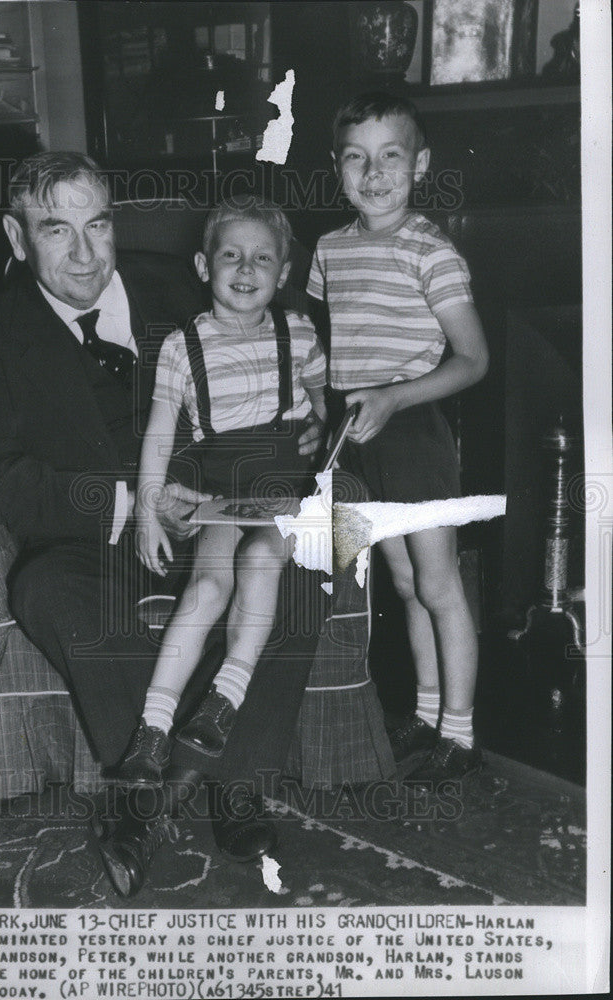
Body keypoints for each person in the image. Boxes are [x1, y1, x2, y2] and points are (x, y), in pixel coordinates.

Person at [0, 152, 325, 897]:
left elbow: (286, 337)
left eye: (99, 225)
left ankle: (172, 797)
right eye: (57, 231)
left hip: (232, 502)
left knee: (306, 563)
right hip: (102, 534)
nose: (86, 255)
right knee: (48, 589)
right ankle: (202, 780)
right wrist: (130, 498)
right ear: (18, 238)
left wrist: (311, 421)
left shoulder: (178, 283)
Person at [307, 92, 489, 786]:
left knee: (439, 583)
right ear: (337, 167)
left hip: (412, 429)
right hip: (357, 430)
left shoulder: (432, 252)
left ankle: (462, 732)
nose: (374, 172)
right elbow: (333, 345)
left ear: (420, 164)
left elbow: (473, 360)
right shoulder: (328, 249)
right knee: (405, 582)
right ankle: (427, 710)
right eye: (357, 157)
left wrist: (395, 396)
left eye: (391, 156)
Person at [115, 197, 327, 787]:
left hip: (292, 491)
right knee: (208, 584)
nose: (246, 268)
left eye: (263, 259)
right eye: (231, 255)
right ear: (204, 267)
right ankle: (152, 731)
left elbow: (323, 396)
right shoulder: (182, 346)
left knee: (261, 557)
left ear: (283, 275)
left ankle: (224, 699)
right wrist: (148, 510)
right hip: (226, 493)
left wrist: (322, 425)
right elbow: (159, 431)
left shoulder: (300, 330)